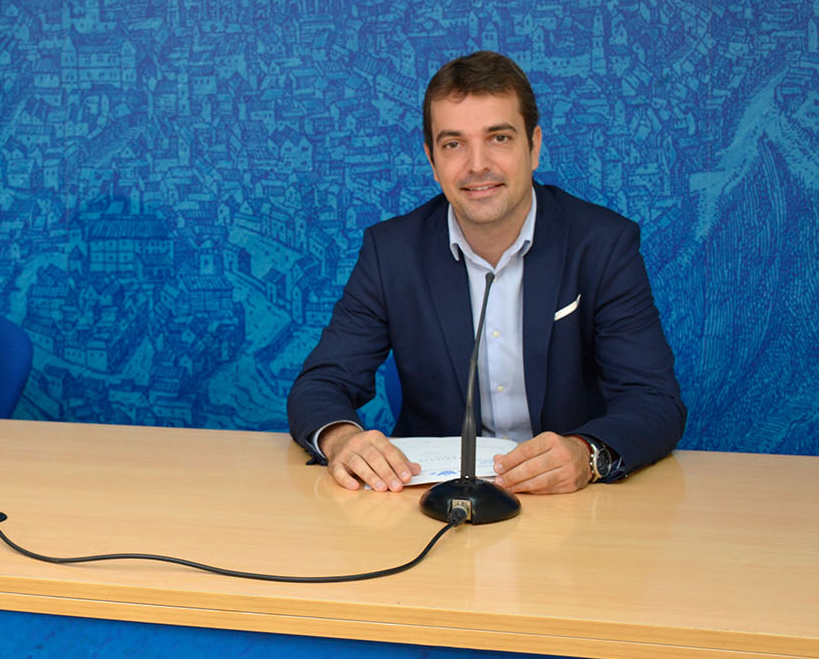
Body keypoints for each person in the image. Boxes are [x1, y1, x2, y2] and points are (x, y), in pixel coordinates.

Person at [287, 51, 685, 495]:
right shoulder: (392, 252)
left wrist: (586, 454)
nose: (477, 165)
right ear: (432, 160)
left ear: (534, 147)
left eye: (498, 138)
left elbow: (654, 400)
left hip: (570, 505)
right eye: (453, 144)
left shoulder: (602, 244)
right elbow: (321, 384)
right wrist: (344, 440)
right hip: (433, 504)